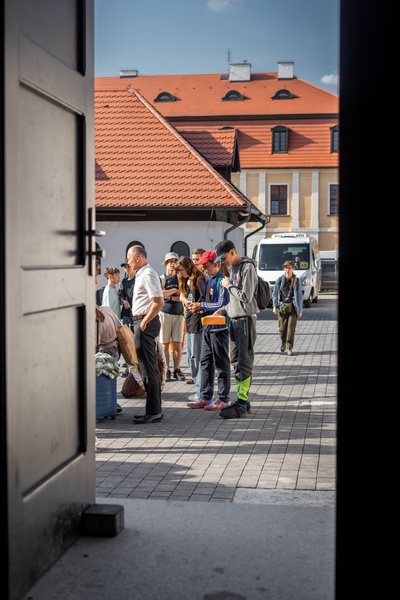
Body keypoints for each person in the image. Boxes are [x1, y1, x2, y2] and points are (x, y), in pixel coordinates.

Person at [212, 239, 259, 419]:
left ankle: (242, 401)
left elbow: (245, 296)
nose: (223, 262)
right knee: (235, 361)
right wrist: (223, 310)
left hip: (245, 320)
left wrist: (227, 285)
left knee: (244, 361)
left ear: (232, 252)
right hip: (235, 319)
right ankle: (242, 401)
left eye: (224, 258)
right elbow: (234, 300)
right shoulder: (234, 269)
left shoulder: (247, 268)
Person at [186, 250, 231, 411]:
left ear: (216, 264)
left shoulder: (222, 281)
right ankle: (205, 397)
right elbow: (207, 303)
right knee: (205, 362)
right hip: (207, 326)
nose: (204, 268)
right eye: (202, 266)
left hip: (219, 328)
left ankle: (223, 398)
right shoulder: (210, 279)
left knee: (221, 363)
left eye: (206, 265)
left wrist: (202, 306)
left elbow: (221, 304)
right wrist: (198, 309)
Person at [126, 245, 165, 423]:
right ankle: (154, 409)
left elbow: (158, 301)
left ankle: (154, 411)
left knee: (148, 369)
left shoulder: (148, 273)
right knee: (146, 368)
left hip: (145, 323)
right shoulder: (142, 274)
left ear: (137, 258)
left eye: (128, 259)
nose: (127, 263)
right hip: (142, 321)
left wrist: (144, 321)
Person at [175, 255, 207, 402]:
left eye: (180, 270)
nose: (179, 273)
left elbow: (205, 300)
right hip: (190, 322)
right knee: (191, 358)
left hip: (198, 323)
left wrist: (196, 306)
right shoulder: (186, 280)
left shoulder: (199, 279)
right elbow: (182, 296)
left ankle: (201, 393)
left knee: (197, 358)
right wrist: (186, 301)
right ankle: (199, 390)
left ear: (187, 267)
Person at [159, 252, 186, 382]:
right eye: (170, 262)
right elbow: (160, 294)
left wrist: (169, 295)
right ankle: (166, 369)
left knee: (177, 344)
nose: (172, 264)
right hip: (165, 313)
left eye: (174, 261)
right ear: (165, 264)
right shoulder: (162, 278)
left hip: (179, 314)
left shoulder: (180, 278)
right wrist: (174, 292)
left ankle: (176, 369)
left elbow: (182, 295)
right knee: (164, 344)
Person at [272, 260, 303, 356]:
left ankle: (289, 348)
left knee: (291, 329)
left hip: (293, 308)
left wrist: (300, 310)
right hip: (282, 307)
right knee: (282, 329)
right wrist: (274, 306)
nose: (288, 270)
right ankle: (283, 342)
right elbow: (275, 294)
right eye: (286, 268)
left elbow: (299, 297)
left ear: (293, 268)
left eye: (290, 268)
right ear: (284, 269)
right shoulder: (279, 280)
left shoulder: (296, 281)